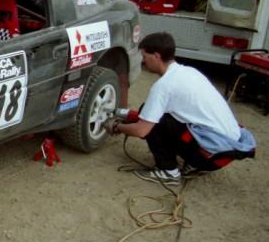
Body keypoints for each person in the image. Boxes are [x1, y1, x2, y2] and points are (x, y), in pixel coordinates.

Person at [109, 32, 255, 186]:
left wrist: (117, 126)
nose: (143, 61)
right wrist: (130, 116)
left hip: (211, 155)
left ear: (156, 56)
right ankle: (193, 161)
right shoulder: (189, 72)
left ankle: (168, 171)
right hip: (225, 149)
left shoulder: (164, 86)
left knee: (154, 121)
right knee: (155, 114)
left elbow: (141, 130)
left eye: (145, 56)